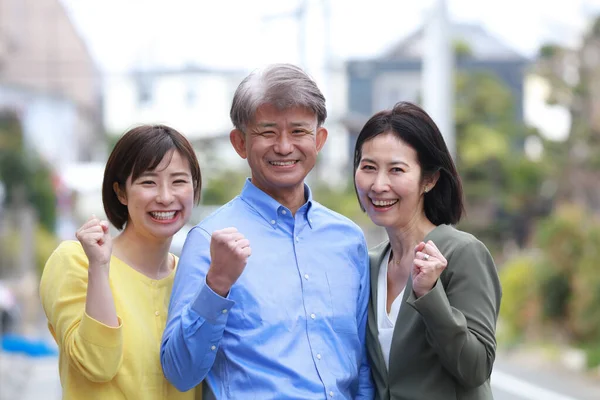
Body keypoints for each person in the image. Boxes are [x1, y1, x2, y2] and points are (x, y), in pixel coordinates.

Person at [161, 63, 374, 399]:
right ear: (240, 142)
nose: (284, 146)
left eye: (299, 132)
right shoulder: (208, 241)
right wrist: (216, 284)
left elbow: (361, 364)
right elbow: (179, 371)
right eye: (268, 131)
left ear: (319, 139)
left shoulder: (348, 240)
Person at [39, 125, 202, 400]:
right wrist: (99, 268)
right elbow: (96, 364)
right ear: (121, 192)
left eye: (178, 181)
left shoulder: (195, 277)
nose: (165, 196)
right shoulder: (76, 261)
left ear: (194, 189)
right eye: (148, 182)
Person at [353, 102, 502, 400]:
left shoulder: (462, 253)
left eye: (397, 169)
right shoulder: (368, 265)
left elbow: (475, 368)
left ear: (430, 179)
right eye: (368, 167)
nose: (379, 185)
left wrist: (429, 294)